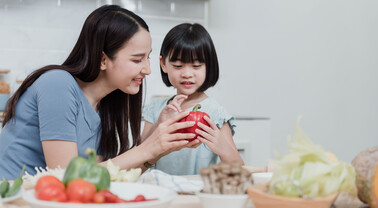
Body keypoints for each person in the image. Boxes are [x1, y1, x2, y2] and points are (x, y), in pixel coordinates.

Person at [0, 5, 198, 180]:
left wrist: (158, 145)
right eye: (138, 60)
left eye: (148, 58)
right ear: (103, 59)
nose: (147, 69)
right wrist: (148, 148)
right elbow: (64, 177)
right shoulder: (57, 84)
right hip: (10, 202)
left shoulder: (104, 106)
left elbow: (101, 175)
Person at [142, 23, 244, 175]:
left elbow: (239, 169)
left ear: (208, 66)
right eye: (178, 65)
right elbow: (140, 156)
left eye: (196, 66)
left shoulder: (215, 113)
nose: (187, 74)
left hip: (197, 194)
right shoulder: (156, 109)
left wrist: (224, 149)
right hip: (160, 192)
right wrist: (159, 125)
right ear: (163, 64)